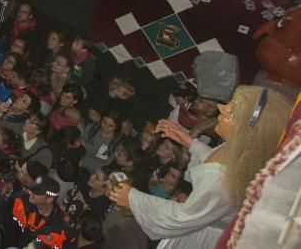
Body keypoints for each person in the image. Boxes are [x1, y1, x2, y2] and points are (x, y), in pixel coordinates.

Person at [109, 86, 292, 249]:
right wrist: (189, 141)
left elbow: (182, 217)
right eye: (230, 104)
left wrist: (132, 198)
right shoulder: (241, 150)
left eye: (231, 112)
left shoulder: (221, 181)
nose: (221, 107)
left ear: (244, 132)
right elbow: (214, 159)